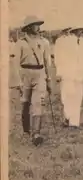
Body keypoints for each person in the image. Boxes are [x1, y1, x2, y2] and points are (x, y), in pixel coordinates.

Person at [12, 15, 52, 146]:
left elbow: (47, 62)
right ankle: (26, 130)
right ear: (29, 27)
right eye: (36, 25)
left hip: (39, 73)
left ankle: (36, 133)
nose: (38, 27)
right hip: (25, 74)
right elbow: (15, 63)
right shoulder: (21, 43)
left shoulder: (44, 42)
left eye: (39, 25)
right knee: (25, 103)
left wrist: (49, 78)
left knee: (37, 103)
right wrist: (18, 81)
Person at [54, 25, 83, 129]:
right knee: (66, 96)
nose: (81, 32)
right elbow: (59, 58)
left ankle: (74, 122)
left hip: (80, 74)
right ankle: (67, 116)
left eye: (82, 30)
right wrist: (59, 72)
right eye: (79, 30)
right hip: (67, 74)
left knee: (78, 97)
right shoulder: (64, 42)